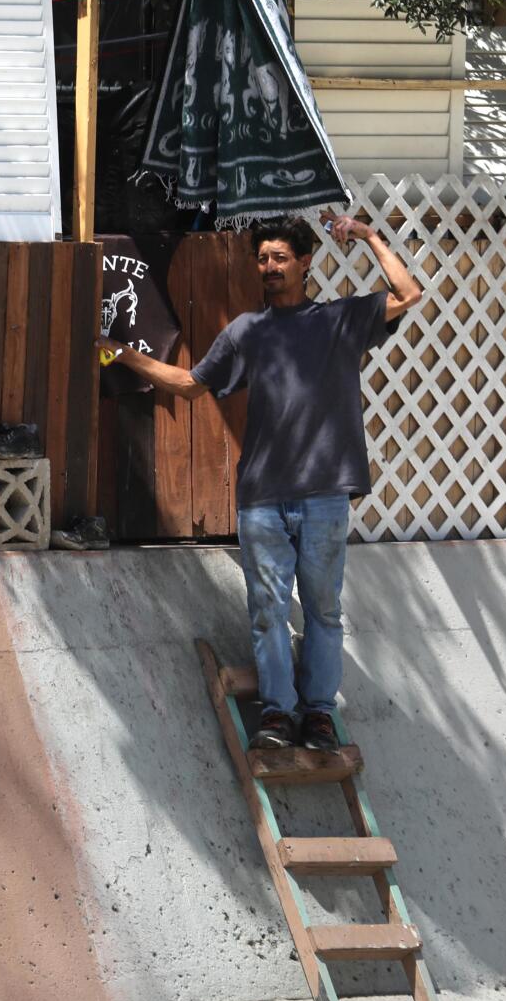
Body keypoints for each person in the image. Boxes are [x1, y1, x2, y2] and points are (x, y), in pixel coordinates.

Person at [93, 212, 423, 751]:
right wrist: (122, 352)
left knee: (323, 610)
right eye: (263, 258)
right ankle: (277, 715)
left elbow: (407, 294)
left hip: (324, 496)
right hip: (262, 500)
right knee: (268, 612)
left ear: (305, 263)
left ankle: (318, 715)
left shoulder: (339, 320)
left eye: (280, 258)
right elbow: (190, 385)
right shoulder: (247, 331)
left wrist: (366, 236)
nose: (269, 267)